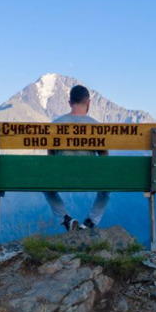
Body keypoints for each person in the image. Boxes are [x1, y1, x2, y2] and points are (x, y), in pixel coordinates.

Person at [44, 84, 109, 232]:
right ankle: (90, 222)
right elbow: (105, 160)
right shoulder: (96, 127)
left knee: (46, 187)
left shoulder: (55, 125)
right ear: (88, 103)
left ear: (69, 102)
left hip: (61, 177)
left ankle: (65, 219)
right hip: (89, 177)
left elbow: (50, 158)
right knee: (106, 189)